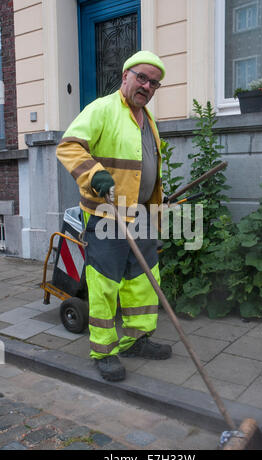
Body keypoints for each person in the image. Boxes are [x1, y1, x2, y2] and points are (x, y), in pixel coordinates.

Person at [56, 50, 172, 382]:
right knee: (105, 284)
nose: (147, 86)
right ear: (125, 76)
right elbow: (69, 146)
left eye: (154, 83)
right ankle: (104, 352)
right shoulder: (103, 109)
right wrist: (94, 174)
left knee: (143, 281)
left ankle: (136, 340)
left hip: (142, 215)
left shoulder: (146, 118)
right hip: (108, 215)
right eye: (142, 78)